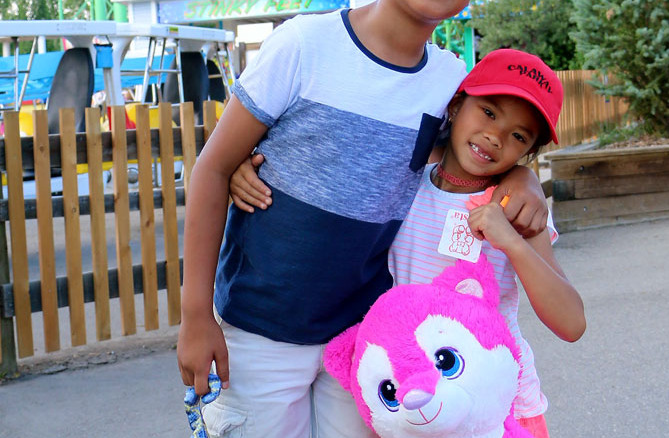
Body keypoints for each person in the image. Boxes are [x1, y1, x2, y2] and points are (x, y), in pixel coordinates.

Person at [178, 2, 549, 437]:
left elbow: (474, 155)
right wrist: (196, 316)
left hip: (364, 339)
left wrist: (524, 178)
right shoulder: (304, 44)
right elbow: (213, 166)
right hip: (261, 330)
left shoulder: (448, 81)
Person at [387, 48, 587, 438]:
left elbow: (571, 323)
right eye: (489, 112)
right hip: (410, 398)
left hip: (498, 408)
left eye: (517, 135)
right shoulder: (407, 181)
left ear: (528, 153)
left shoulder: (518, 210)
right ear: (457, 105)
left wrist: (512, 242)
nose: (494, 136)